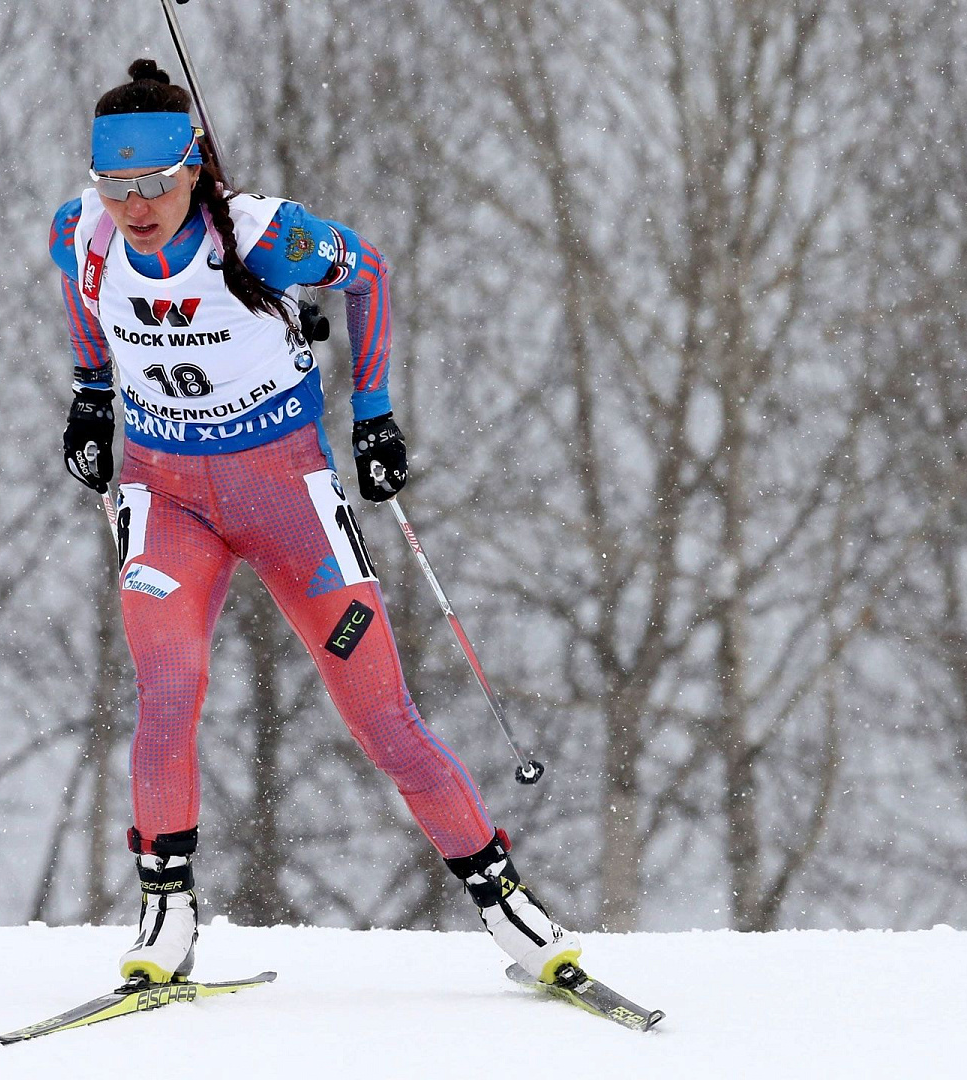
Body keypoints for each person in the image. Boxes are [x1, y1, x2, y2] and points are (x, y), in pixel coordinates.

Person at [49, 59, 579, 989]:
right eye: (116, 186)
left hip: (288, 500)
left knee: (385, 720)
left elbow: (366, 271)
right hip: (167, 501)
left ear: (194, 165)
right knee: (169, 689)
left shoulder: (261, 238)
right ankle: (165, 921)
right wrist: (93, 396)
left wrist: (373, 414)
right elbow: (81, 305)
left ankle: (511, 913)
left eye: (155, 185)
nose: (135, 207)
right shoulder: (84, 236)